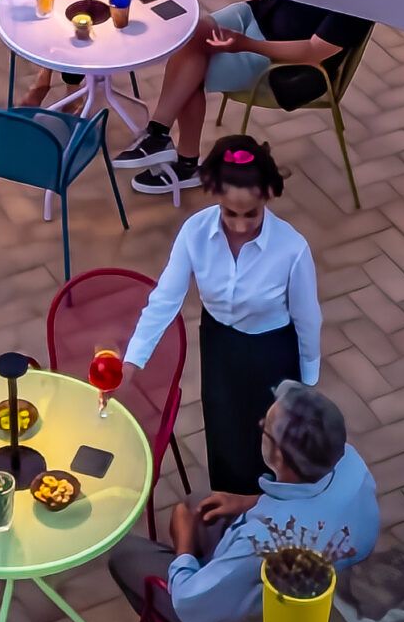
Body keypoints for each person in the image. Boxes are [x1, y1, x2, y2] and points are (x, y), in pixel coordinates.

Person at [120, 136, 322, 498]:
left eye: (251, 214)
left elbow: (308, 320)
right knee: (225, 432)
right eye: (231, 213)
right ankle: (228, 512)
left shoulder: (292, 249)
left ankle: (270, 515)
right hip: (219, 346)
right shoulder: (195, 233)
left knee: (272, 445)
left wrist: (306, 384)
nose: (241, 225)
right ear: (215, 196)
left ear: (267, 199)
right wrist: (134, 358)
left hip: (272, 354)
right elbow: (165, 299)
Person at [109, 382, 379, 622]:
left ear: (281, 457)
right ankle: (209, 568)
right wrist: (250, 503)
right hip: (330, 575)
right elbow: (307, 501)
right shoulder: (348, 460)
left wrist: (185, 546)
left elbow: (190, 603)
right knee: (197, 505)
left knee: (124, 557)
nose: (260, 425)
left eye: (266, 429)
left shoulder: (260, 542)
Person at [112, 0, 373, 195]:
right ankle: (160, 136)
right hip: (254, 15)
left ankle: (181, 158)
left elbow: (313, 51)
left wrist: (245, 44)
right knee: (187, 40)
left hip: (273, 58)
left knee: (191, 69)